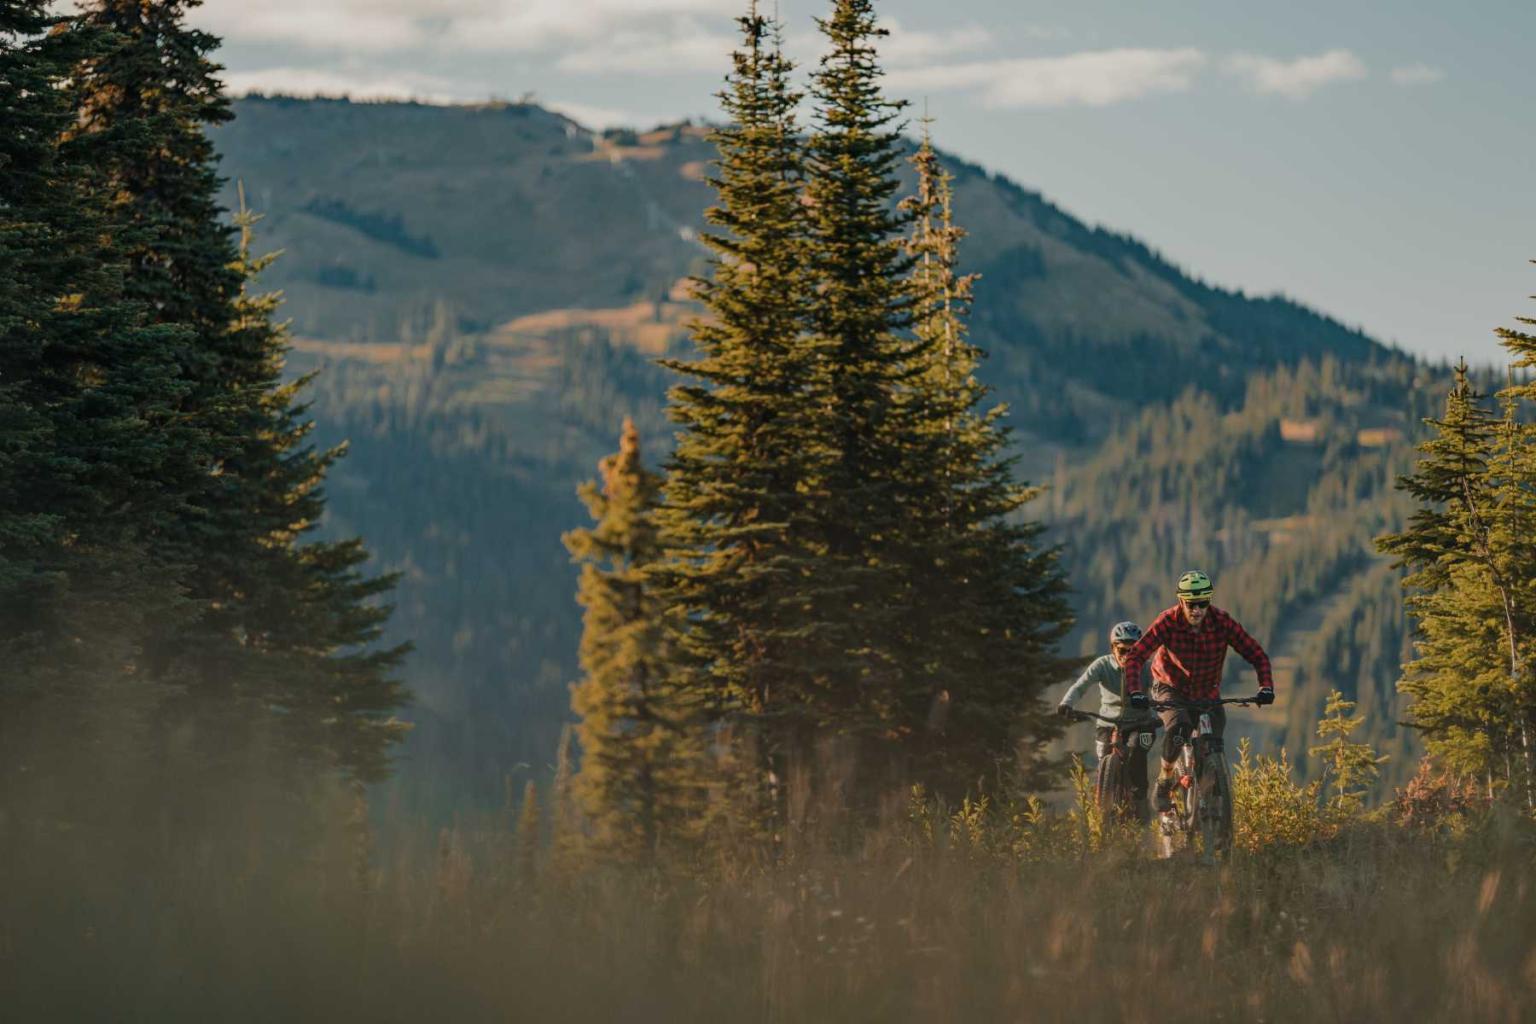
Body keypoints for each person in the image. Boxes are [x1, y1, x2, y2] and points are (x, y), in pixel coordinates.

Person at [1121, 570, 1275, 812]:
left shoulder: (1222, 622)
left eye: (1203, 603)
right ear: (1181, 601)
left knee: (1212, 742)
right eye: (1191, 604)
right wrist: (1135, 691)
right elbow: (1136, 656)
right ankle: (1164, 779)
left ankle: (1210, 805)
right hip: (1169, 688)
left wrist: (1265, 686)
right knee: (1180, 728)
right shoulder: (1167, 621)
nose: (1197, 610)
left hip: (1206, 693)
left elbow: (1257, 655)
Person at [1058, 621, 1158, 818]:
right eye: (1122, 650)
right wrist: (1066, 704)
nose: (1127, 655)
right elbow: (1080, 686)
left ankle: (1140, 805)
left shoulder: (1147, 668)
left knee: (1138, 754)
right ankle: (1103, 809)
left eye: (1133, 650)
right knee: (1103, 760)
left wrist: (1157, 711)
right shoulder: (1102, 665)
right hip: (1107, 722)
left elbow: (1159, 690)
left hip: (1141, 723)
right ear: (1113, 648)